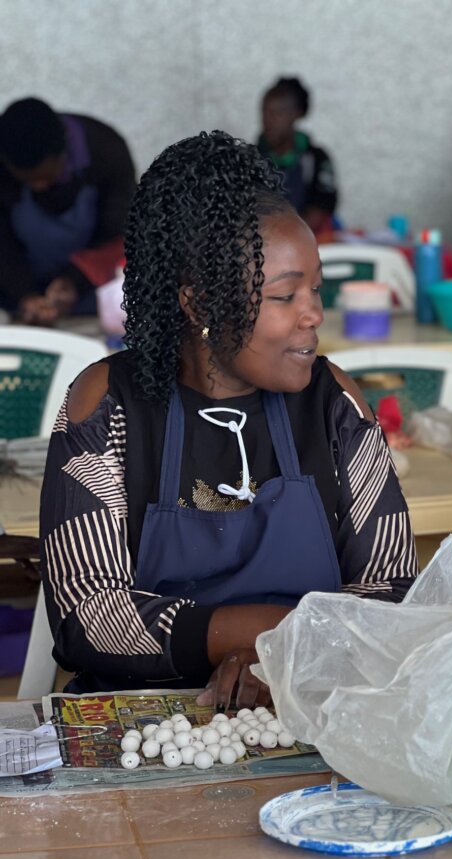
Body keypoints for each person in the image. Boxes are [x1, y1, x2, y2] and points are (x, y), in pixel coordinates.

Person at [39, 130, 417, 709]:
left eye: (316, 288)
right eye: (285, 297)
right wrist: (267, 638)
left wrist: (283, 658)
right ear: (198, 304)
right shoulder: (109, 404)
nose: (314, 314)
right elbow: (88, 617)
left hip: (311, 707)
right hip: (147, 721)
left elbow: (393, 592)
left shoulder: (332, 401)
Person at [0, 97, 136, 325]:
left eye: (45, 178)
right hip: (17, 289)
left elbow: (119, 234)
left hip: (90, 292)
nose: (39, 187)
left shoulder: (106, 152)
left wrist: (73, 280)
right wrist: (26, 295)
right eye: (27, 180)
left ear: (62, 154)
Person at [257, 77, 338, 237]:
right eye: (265, 112)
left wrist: (287, 235)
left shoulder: (316, 159)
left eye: (278, 113)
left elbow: (321, 208)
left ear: (296, 115)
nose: (269, 120)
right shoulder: (252, 158)